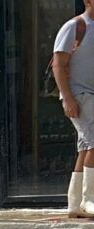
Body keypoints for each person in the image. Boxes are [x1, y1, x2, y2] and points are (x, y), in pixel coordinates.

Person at [54, 0, 94, 217]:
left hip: (92, 96)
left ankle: (75, 204)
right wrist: (68, 98)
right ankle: (90, 201)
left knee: (86, 146)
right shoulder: (75, 26)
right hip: (79, 95)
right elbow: (58, 64)